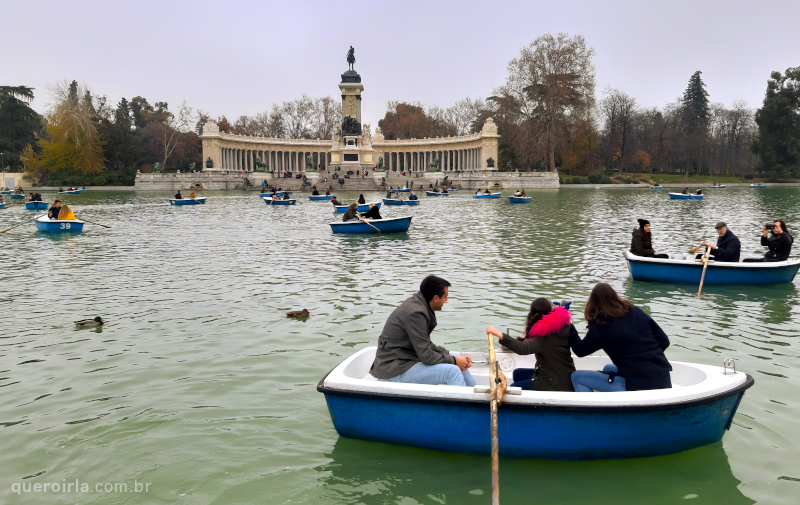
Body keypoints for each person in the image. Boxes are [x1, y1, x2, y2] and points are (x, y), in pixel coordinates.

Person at [370, 276, 476, 387]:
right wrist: (454, 361)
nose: (446, 300)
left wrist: (450, 356)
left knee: (454, 355)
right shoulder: (415, 313)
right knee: (452, 372)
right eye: (445, 297)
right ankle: (466, 403)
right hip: (392, 371)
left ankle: (478, 398)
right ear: (435, 298)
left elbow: (425, 344)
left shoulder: (420, 305)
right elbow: (426, 356)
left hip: (404, 360)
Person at [569, 283, 672, 392]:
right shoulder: (635, 311)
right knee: (609, 368)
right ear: (615, 297)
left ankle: (593, 409)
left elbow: (580, 350)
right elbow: (664, 341)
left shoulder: (601, 326)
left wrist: (569, 325)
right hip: (662, 379)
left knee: (577, 377)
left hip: (637, 386)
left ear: (592, 303)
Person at [486, 298, 576, 392]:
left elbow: (523, 348)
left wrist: (498, 334)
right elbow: (529, 343)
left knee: (513, 388)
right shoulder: (557, 326)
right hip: (562, 375)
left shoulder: (545, 335)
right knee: (518, 374)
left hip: (556, 383)